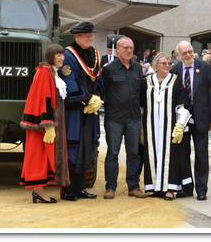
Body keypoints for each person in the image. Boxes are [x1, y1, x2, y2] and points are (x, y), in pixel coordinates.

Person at [19, 44, 70, 203]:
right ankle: (39, 192)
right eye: (58, 55)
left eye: (62, 54)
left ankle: (38, 191)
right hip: (43, 125)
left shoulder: (51, 72)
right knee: (39, 157)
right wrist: (48, 125)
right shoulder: (44, 73)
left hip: (49, 124)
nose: (61, 58)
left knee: (42, 157)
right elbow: (44, 98)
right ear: (50, 56)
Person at [59, 22, 102, 201]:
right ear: (77, 37)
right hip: (75, 109)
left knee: (88, 148)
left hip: (90, 109)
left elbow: (98, 80)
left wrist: (98, 98)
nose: (90, 39)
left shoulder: (94, 53)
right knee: (73, 148)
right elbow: (69, 82)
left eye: (91, 36)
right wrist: (87, 98)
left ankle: (81, 188)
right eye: (86, 36)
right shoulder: (69, 54)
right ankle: (68, 189)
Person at [171, 41, 211, 201]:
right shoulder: (175, 69)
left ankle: (202, 189)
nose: (188, 55)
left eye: (190, 51)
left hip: (201, 118)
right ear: (178, 55)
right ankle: (186, 187)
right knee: (182, 155)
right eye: (184, 53)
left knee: (201, 155)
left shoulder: (205, 67)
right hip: (182, 120)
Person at [101, 37, 147, 199]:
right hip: (114, 119)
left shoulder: (137, 68)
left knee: (134, 153)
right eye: (125, 47)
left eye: (131, 48)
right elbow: (103, 92)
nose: (129, 51)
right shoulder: (109, 69)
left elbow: (142, 92)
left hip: (134, 118)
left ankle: (133, 187)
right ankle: (110, 187)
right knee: (112, 153)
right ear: (118, 49)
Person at [143, 52, 192, 201]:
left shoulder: (175, 81)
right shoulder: (147, 81)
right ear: (156, 65)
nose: (167, 66)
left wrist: (180, 125)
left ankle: (170, 189)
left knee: (171, 156)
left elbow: (183, 104)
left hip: (169, 126)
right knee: (152, 153)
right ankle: (155, 187)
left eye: (169, 64)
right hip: (151, 126)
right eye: (164, 63)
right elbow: (140, 103)